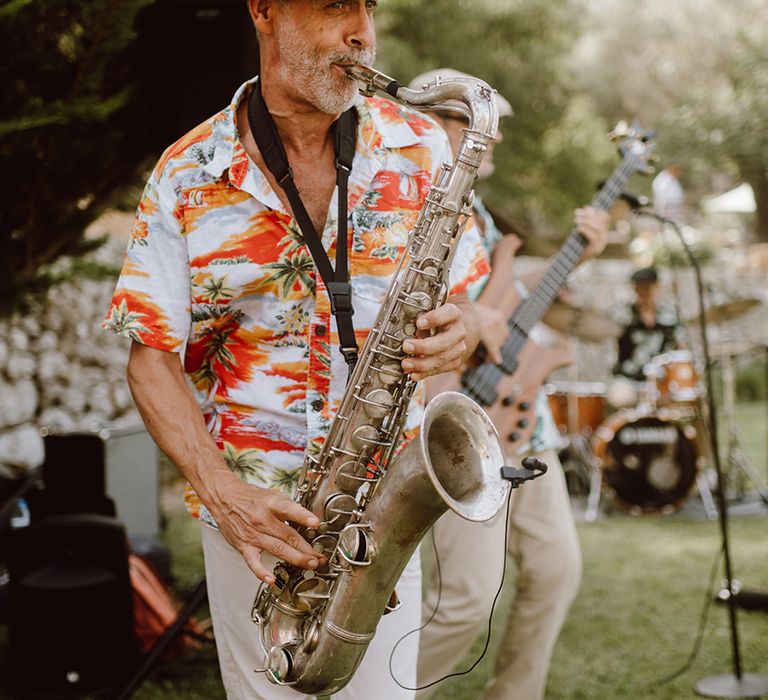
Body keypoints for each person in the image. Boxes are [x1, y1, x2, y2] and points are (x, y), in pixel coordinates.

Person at [103, 5, 492, 699]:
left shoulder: (424, 147)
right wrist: (221, 492)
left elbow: (465, 297)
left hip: (379, 513)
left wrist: (464, 323)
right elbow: (149, 358)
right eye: (335, 5)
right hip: (252, 527)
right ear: (264, 9)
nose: (362, 33)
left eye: (369, 7)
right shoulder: (186, 174)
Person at [408, 69, 609, 700]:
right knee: (465, 599)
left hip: (524, 425)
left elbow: (506, 309)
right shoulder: (399, 207)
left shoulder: (481, 219)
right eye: (479, 124)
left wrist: (582, 253)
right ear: (435, 122)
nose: (492, 141)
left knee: (556, 570)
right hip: (460, 428)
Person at [612, 266, 684, 384]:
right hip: (628, 378)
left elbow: (681, 346)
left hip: (663, 379)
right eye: (639, 288)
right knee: (620, 397)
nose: (643, 292)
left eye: (648, 288)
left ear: (657, 287)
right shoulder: (622, 314)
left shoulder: (671, 315)